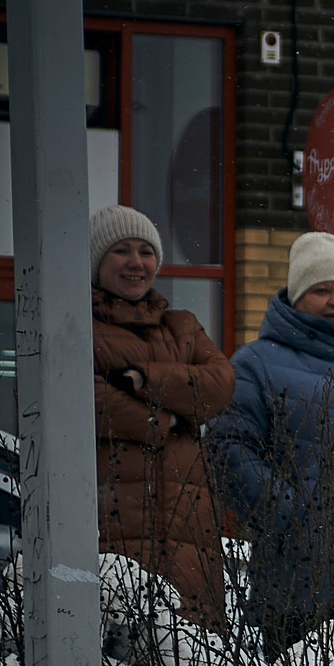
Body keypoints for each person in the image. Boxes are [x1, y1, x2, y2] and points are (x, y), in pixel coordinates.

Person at [208, 231, 334, 656]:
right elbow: (227, 448)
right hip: (295, 593)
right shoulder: (256, 364)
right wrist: (292, 517)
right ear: (296, 294)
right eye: (321, 290)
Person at [90, 204, 235, 630]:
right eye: (121, 251)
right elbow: (84, 399)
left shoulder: (182, 326)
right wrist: (163, 422)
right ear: (96, 262)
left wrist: (141, 379)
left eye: (146, 251)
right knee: (117, 645)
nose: (136, 262)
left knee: (192, 649)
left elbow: (220, 383)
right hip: (112, 516)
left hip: (189, 529)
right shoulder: (77, 325)